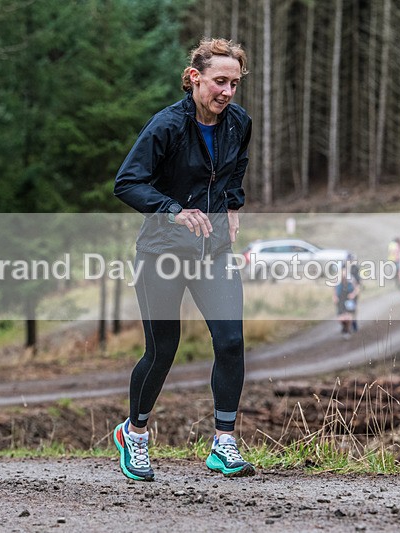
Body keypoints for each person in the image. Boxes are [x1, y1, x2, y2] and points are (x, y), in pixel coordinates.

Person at [112, 38, 254, 481]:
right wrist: (174, 211)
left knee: (230, 341)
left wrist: (231, 207)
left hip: (213, 251)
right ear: (195, 78)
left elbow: (235, 168)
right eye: (219, 82)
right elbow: (128, 183)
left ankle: (224, 443)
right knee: (163, 350)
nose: (227, 91)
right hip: (162, 251)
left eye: (234, 83)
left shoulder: (238, 123)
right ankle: (134, 435)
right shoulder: (166, 126)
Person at [333, 270, 359, 339]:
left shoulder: (351, 279)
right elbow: (334, 290)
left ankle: (347, 330)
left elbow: (356, 288)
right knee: (341, 318)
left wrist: (353, 294)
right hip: (341, 300)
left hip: (349, 300)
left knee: (349, 317)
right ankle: (345, 328)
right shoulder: (337, 280)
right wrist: (335, 297)